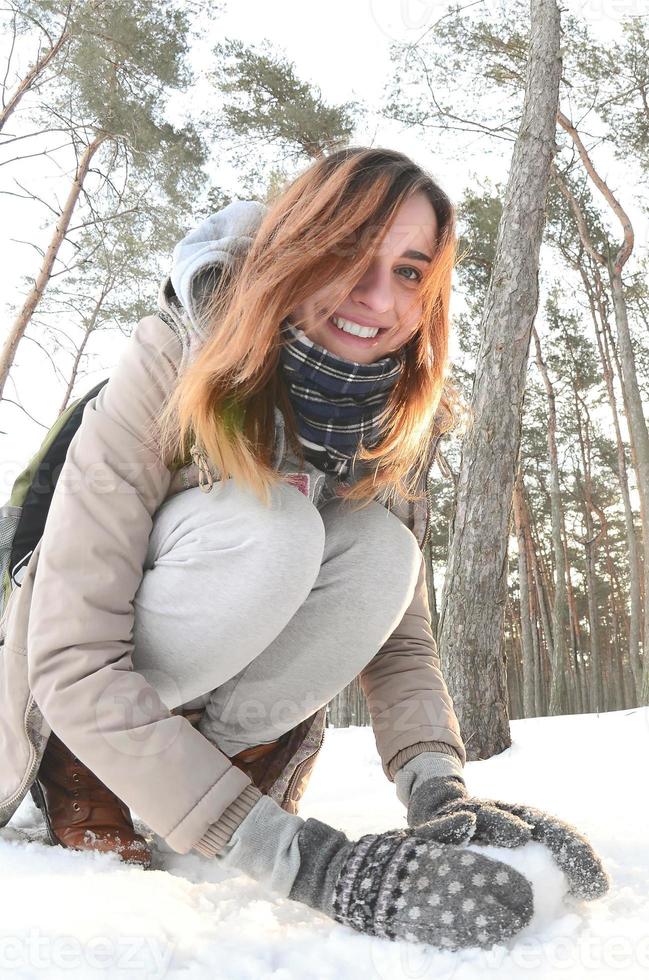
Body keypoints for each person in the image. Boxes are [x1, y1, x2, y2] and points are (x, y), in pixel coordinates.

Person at [8, 147, 608, 950]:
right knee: (277, 526)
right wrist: (307, 865)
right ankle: (83, 771)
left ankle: (211, 777)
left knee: (383, 555)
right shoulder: (171, 358)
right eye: (349, 258)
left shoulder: (386, 412)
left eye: (407, 271)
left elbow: (397, 634)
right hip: (73, 676)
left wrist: (439, 790)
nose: (375, 298)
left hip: (204, 698)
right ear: (294, 250)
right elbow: (71, 654)